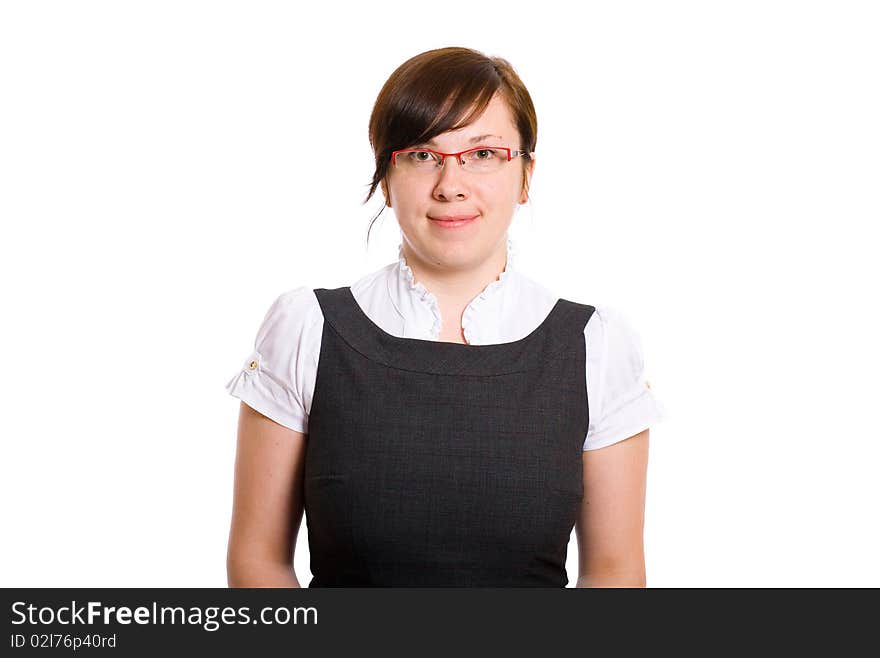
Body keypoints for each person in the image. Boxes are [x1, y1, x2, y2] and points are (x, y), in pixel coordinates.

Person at [224, 46, 666, 588]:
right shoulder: (306, 328)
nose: (450, 185)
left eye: (483, 154)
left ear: (525, 176)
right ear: (387, 177)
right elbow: (258, 563)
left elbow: (616, 574)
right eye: (422, 154)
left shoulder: (596, 346)